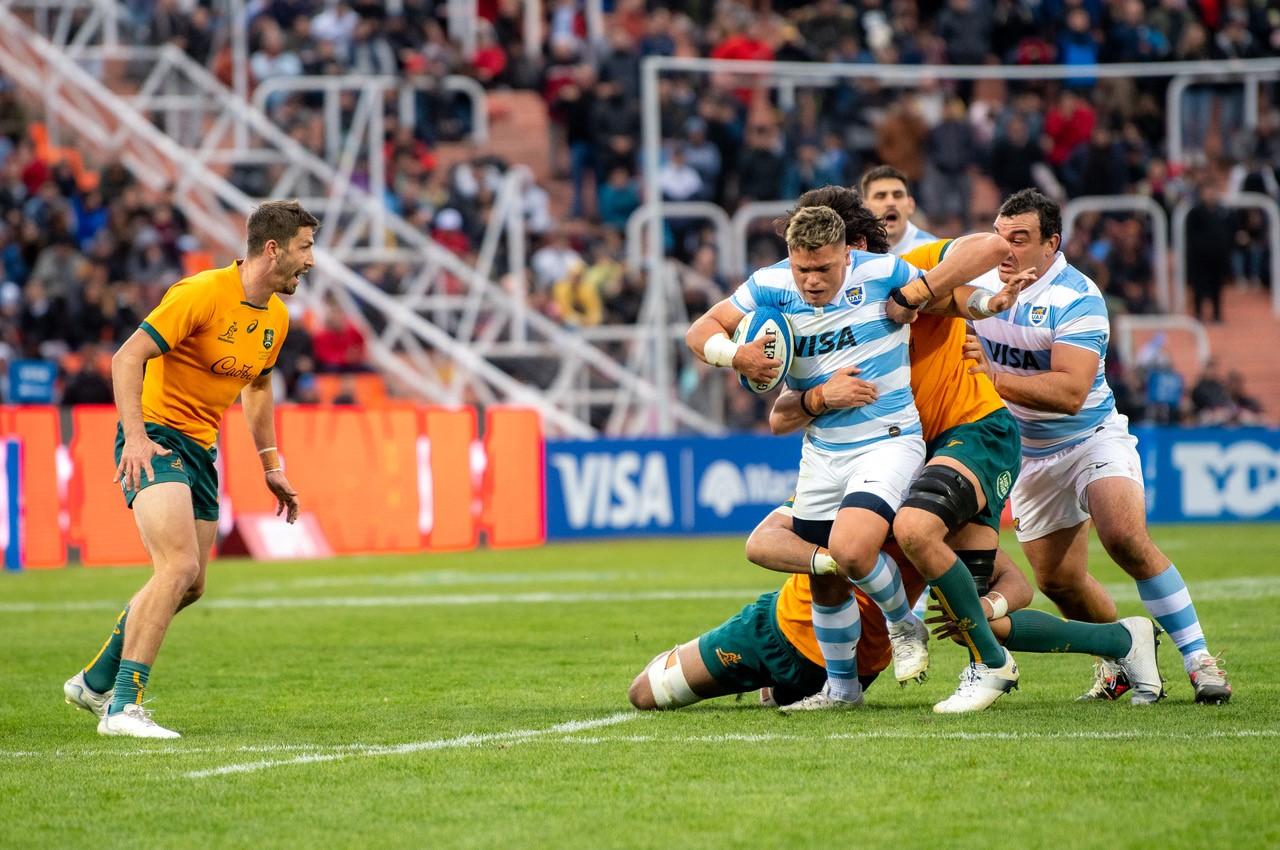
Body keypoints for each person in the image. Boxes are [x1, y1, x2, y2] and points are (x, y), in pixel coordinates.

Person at [686, 200, 1008, 710]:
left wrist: (980, 303)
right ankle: (842, 691)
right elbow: (699, 330)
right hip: (821, 451)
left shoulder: (884, 272)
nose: (811, 280)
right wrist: (735, 354)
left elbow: (964, 286)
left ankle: (905, 624)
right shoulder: (769, 284)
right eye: (802, 269)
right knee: (826, 577)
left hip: (888, 437)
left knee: (853, 550)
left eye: (823, 269)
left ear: (846, 254)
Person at [964, 189, 1231, 703]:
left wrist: (994, 378)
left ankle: (1199, 659)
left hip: (1089, 437)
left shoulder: (1077, 297)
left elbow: (1069, 392)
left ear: (1051, 244)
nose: (1007, 249)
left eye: (1020, 239)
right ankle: (1125, 658)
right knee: (1058, 582)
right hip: (1025, 455)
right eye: (1000, 237)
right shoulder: (979, 285)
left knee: (1124, 537)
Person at [62, 200, 316, 738]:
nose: (311, 260)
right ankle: (122, 707)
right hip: (154, 436)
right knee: (176, 567)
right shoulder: (201, 293)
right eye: (305, 247)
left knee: (192, 583)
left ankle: (94, 679)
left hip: (200, 449)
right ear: (273, 249)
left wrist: (271, 465)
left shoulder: (276, 317)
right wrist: (134, 438)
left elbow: (259, 385)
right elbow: (127, 358)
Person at [859, 165, 936, 256]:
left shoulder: (933, 251)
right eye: (880, 196)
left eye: (898, 195)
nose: (891, 202)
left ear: (910, 205)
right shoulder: (852, 252)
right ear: (864, 207)